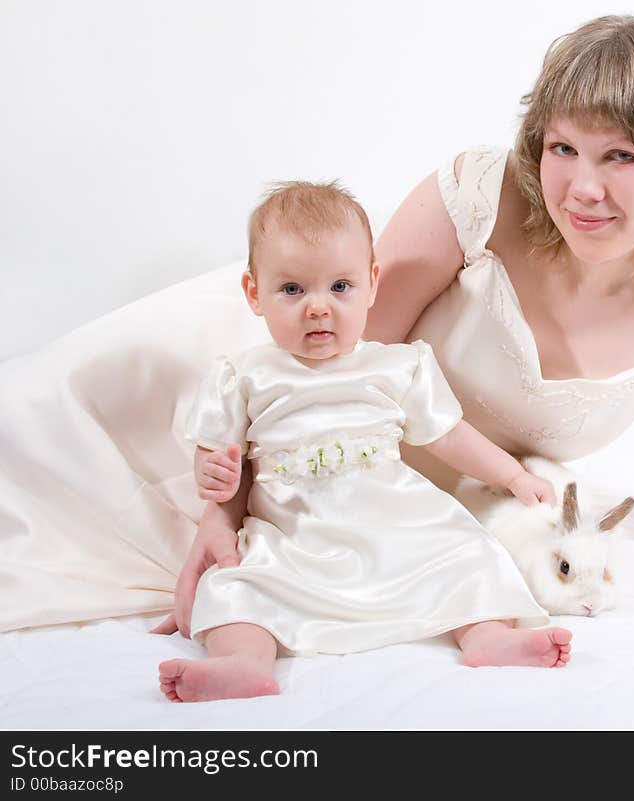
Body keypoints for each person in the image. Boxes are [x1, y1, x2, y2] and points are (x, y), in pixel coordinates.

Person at [161, 14, 634, 678]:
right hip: (282, 434)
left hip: (427, 528)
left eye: (620, 154)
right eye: (562, 148)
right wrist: (224, 511)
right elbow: (330, 361)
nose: (583, 189)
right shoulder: (477, 198)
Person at [157, 181, 570, 703]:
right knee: (235, 587)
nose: (317, 308)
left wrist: (512, 475)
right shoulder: (244, 375)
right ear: (253, 292)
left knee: (469, 554)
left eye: (340, 287)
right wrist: (210, 473)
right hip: (294, 539)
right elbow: (216, 452)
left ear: (372, 283)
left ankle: (488, 636)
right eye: (291, 290)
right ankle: (242, 661)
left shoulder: (398, 366)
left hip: (399, 529)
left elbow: (448, 435)